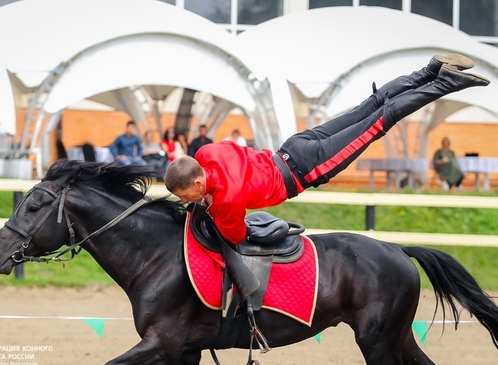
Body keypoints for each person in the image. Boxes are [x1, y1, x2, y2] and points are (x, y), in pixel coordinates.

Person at [164, 54, 489, 245]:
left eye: (186, 195)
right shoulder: (208, 152)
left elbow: (233, 235)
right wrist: (208, 194)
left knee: (379, 121)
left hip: (304, 169)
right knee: (370, 106)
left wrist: (208, 203)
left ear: (196, 182)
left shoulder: (227, 201)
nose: (185, 201)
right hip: (291, 148)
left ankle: (446, 82)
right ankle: (429, 71)